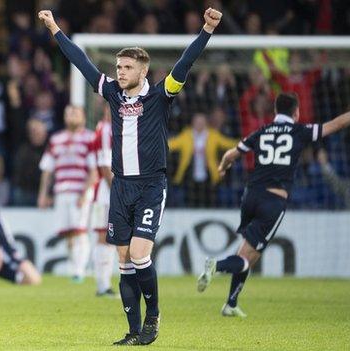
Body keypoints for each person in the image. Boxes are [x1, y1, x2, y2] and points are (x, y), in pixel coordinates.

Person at [39, 7, 222, 345]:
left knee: (139, 254)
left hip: (151, 185)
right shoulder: (112, 93)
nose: (120, 72)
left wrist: (207, 30)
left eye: (127, 67)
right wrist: (54, 28)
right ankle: (134, 331)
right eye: (119, 67)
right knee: (123, 261)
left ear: (143, 70)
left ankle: (153, 317)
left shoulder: (160, 94)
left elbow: (185, 62)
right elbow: (81, 62)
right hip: (120, 186)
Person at [197, 93, 350, 317]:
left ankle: (231, 303)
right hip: (273, 201)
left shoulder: (262, 131)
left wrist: (222, 167)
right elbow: (337, 124)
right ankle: (215, 265)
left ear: (275, 112)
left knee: (248, 254)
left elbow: (231, 154)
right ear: (296, 112)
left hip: (250, 196)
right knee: (246, 258)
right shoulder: (300, 131)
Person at [38, 105, 98, 283]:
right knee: (69, 234)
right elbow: (47, 169)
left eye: (75, 113)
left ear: (83, 117)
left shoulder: (89, 138)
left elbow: (94, 170)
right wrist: (43, 194)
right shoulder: (56, 139)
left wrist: (85, 191)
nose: (71, 116)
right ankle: (75, 268)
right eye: (68, 113)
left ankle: (79, 270)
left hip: (80, 190)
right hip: (61, 192)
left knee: (80, 231)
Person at [168, 112, 237, 207]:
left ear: (206, 123)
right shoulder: (186, 135)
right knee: (190, 204)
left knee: (208, 204)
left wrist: (245, 142)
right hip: (189, 178)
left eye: (202, 122)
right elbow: (171, 144)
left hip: (209, 177)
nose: (199, 124)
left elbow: (228, 143)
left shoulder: (213, 135)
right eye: (197, 122)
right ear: (193, 123)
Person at [91, 106, 116, 297]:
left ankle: (104, 284)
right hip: (105, 193)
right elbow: (105, 165)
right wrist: (118, 190)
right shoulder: (107, 129)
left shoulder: (106, 128)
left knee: (108, 237)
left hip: (105, 192)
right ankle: (103, 285)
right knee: (104, 237)